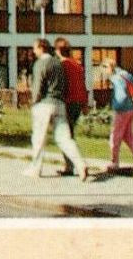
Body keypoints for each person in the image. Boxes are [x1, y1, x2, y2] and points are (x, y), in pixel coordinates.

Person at [24, 37, 89, 181]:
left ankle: (36, 169)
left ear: (41, 48)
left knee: (39, 138)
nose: (34, 51)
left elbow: (38, 87)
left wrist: (34, 102)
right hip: (59, 104)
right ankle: (80, 163)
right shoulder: (58, 64)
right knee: (64, 138)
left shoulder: (41, 63)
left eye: (35, 48)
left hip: (45, 104)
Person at [55, 37, 88, 139]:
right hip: (78, 103)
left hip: (67, 102)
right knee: (69, 131)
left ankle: (70, 154)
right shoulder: (77, 65)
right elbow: (83, 85)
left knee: (65, 134)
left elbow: (60, 86)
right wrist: (85, 104)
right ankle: (70, 153)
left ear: (58, 50)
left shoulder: (61, 65)